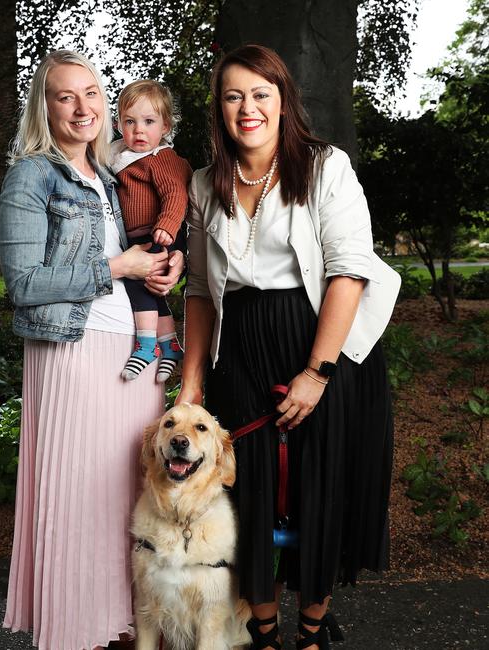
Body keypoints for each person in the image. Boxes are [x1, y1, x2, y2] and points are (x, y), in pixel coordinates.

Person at [177, 44, 400, 650]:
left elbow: (349, 273)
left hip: (321, 341)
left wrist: (317, 373)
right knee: (245, 490)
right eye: (233, 95)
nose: (247, 107)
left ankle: (310, 631)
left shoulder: (327, 167)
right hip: (241, 349)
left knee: (319, 484)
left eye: (260, 94)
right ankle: (266, 633)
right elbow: (200, 290)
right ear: (219, 108)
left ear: (282, 102)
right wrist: (193, 382)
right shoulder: (204, 183)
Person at [0, 50, 183, 650]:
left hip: (133, 352)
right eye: (65, 96)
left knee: (129, 498)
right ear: (44, 108)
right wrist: (116, 266)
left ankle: (120, 627)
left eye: (93, 93)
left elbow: (142, 250)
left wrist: (163, 266)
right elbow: (22, 284)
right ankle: (75, 630)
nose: (83, 107)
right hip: (73, 352)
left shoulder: (109, 176)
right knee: (81, 498)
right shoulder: (31, 174)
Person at [109, 79, 192, 383]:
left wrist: (168, 227)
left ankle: (146, 346)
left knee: (140, 286)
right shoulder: (122, 157)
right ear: (118, 124)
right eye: (130, 122)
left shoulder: (161, 158)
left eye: (148, 122)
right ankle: (169, 345)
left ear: (165, 126)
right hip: (138, 235)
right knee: (156, 293)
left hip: (157, 233)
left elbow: (175, 194)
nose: (139, 130)